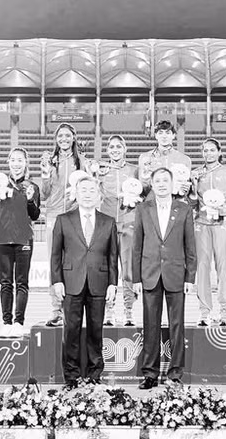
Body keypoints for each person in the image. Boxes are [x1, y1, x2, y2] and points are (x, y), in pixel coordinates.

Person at [50, 176, 118, 387]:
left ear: (98, 196)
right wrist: (57, 281)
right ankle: (71, 376)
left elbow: (113, 256)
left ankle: (94, 375)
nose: (88, 194)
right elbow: (55, 254)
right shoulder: (63, 219)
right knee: (71, 330)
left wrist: (113, 283)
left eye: (92, 190)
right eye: (83, 190)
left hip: (99, 280)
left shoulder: (108, 221)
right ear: (76, 195)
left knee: (96, 331)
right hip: (71, 282)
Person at [133, 167, 196, 388]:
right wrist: (136, 279)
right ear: (152, 184)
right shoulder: (142, 209)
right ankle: (150, 373)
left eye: (165, 181)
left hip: (176, 275)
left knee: (176, 325)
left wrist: (190, 277)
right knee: (150, 325)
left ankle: (175, 374)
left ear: (172, 184)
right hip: (150, 275)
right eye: (157, 180)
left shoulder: (184, 209)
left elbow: (190, 246)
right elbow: (136, 247)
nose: (161, 184)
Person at [0, 147, 41, 338]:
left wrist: (29, 200)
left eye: (20, 160)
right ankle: (6, 322)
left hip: (23, 239)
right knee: (5, 283)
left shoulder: (32, 186)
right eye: (13, 160)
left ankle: (18, 322)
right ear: (8, 162)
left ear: (26, 162)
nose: (16, 164)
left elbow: (35, 215)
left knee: (21, 282)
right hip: (2, 239)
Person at [41, 123, 88, 327]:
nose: (64, 139)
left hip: (74, 217)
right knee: (55, 262)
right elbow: (44, 193)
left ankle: (72, 308)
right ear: (56, 139)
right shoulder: (50, 161)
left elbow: (87, 190)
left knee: (75, 263)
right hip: (53, 216)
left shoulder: (82, 162)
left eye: (68, 135)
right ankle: (55, 309)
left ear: (74, 138)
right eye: (60, 136)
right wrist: (45, 175)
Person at [189, 137, 226, 326]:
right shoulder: (196, 173)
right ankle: (204, 312)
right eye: (205, 150)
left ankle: (225, 311)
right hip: (201, 224)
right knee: (202, 267)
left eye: (212, 150)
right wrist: (192, 188)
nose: (208, 153)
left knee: (223, 267)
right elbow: (192, 203)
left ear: (219, 151)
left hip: (222, 225)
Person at [96, 134, 140, 326]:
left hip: (129, 222)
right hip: (106, 223)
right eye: (111, 147)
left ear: (125, 149)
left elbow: (144, 191)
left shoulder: (134, 170)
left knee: (128, 269)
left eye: (118, 147)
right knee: (107, 268)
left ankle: (129, 310)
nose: (115, 150)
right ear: (107, 150)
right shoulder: (101, 170)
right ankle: (109, 310)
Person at [137, 120, 192, 200]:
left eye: (167, 133)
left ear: (173, 135)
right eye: (160, 133)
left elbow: (187, 189)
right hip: (153, 203)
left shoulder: (184, 159)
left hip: (176, 203)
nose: (164, 136)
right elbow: (143, 187)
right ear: (156, 135)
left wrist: (184, 190)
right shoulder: (145, 158)